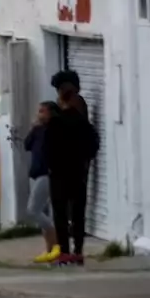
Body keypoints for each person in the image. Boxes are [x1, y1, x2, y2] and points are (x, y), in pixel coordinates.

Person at [44, 70, 99, 266]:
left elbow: (47, 149)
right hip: (78, 173)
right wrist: (84, 162)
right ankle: (78, 251)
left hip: (59, 174)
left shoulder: (55, 123)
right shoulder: (84, 123)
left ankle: (65, 252)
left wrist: (50, 166)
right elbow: (93, 145)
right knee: (78, 213)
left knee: (60, 214)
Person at [25, 101, 61, 263]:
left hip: (47, 173)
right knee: (43, 212)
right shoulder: (38, 130)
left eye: (43, 111)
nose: (39, 114)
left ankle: (57, 236)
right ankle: (50, 249)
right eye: (38, 111)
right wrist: (34, 127)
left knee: (33, 210)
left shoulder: (54, 130)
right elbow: (27, 145)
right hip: (35, 173)